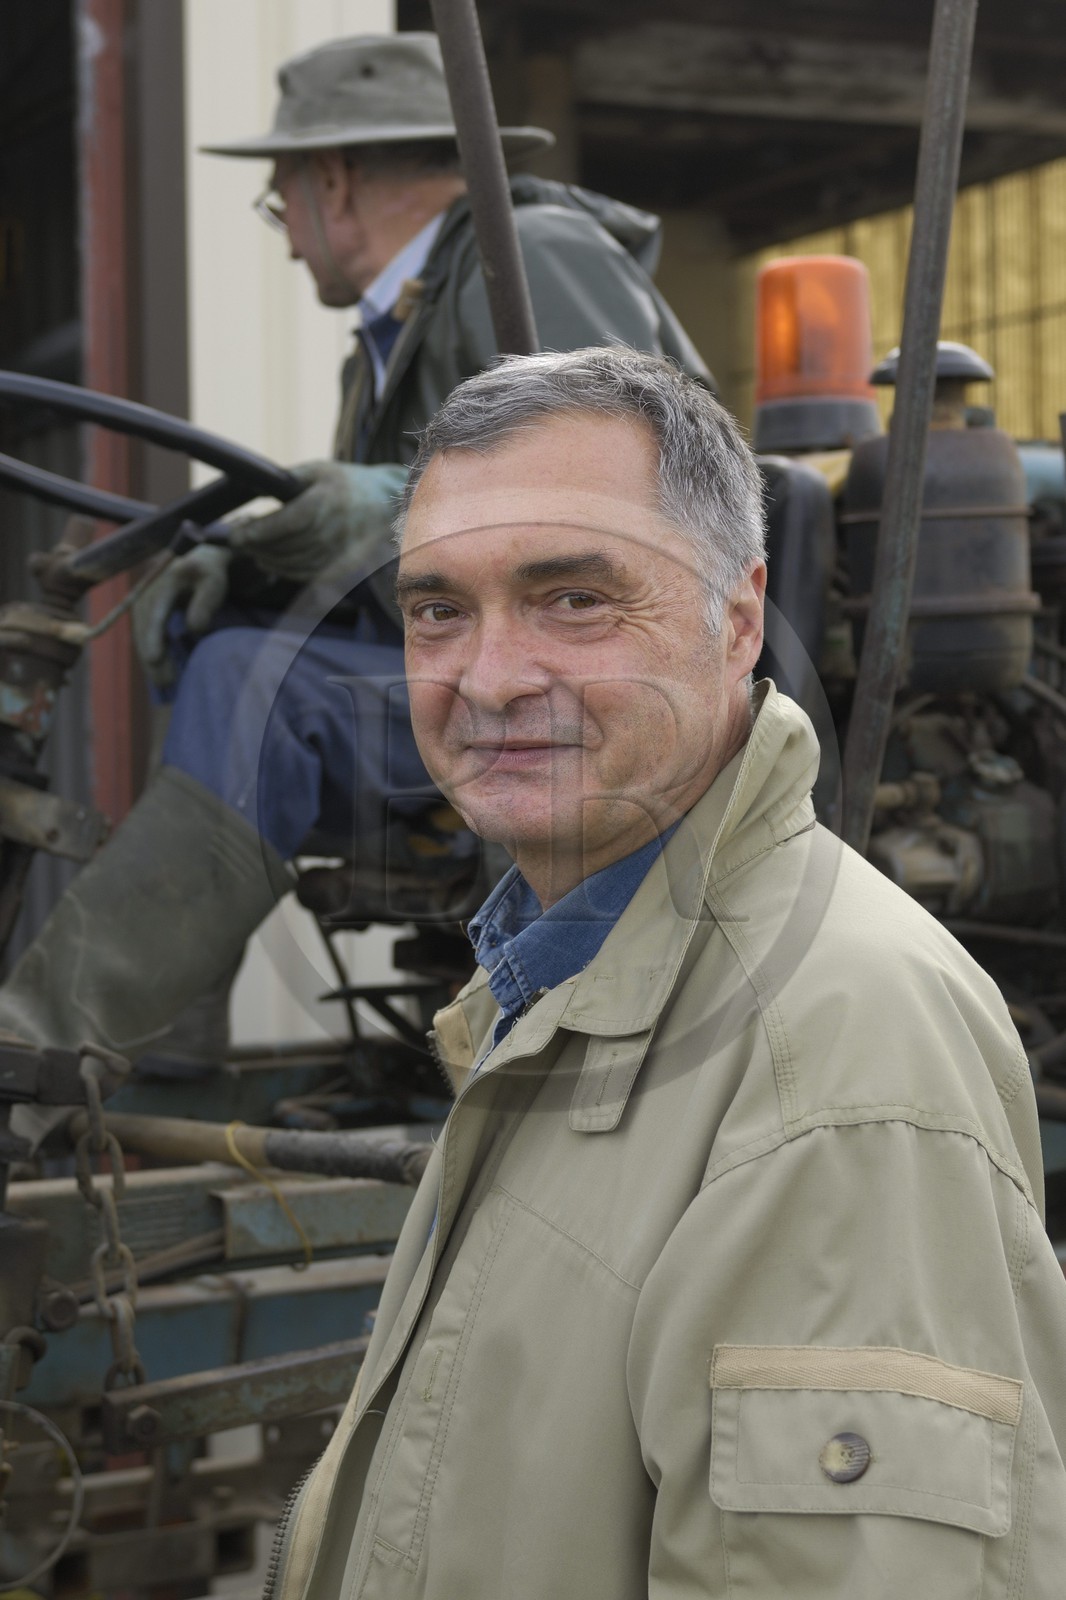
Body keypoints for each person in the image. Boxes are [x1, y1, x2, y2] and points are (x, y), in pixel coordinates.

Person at [265, 346, 1066, 1599]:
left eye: (574, 599)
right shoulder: (552, 980)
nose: (488, 677)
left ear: (736, 621)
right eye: (438, 610)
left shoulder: (834, 1062)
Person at [0, 32, 710, 1085]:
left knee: (252, 684)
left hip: (591, 688)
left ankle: (40, 1057)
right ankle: (141, 1047)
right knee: (228, 638)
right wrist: (251, 566)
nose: (289, 240)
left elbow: (624, 495)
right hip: (491, 672)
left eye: (279, 201)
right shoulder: (386, 340)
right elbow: (408, 571)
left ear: (331, 181)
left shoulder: (531, 254)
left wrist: (372, 505)